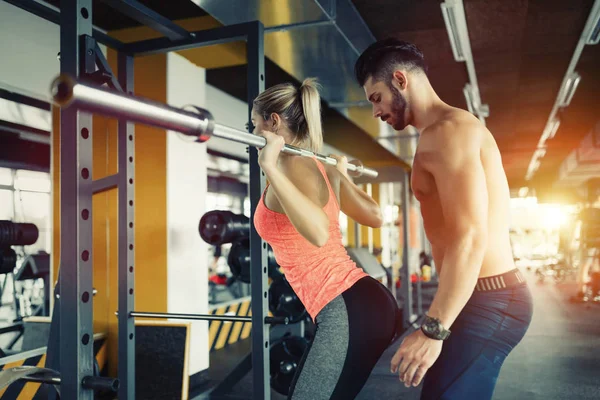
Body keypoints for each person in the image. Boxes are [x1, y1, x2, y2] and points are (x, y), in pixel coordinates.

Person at [354, 38, 534, 399]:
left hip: (491, 299)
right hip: (481, 296)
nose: (376, 112)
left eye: (376, 98)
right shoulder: (447, 132)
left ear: (401, 81)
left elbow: (469, 235)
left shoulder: (447, 133)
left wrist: (433, 329)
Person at [252, 78, 400, 399]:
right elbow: (375, 216)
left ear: (273, 122)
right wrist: (341, 176)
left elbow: (318, 233)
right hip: (366, 302)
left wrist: (270, 167)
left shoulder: (288, 166)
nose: (253, 135)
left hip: (343, 308)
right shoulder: (322, 167)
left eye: (255, 125)